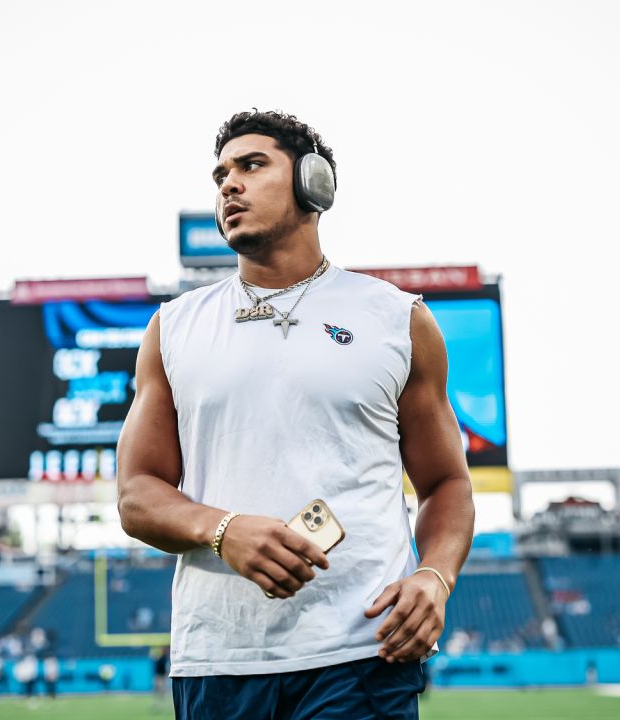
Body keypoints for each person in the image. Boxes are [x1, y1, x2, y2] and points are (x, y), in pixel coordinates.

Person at [117, 109, 475, 720]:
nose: (229, 184)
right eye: (221, 174)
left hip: (363, 653)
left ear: (315, 183)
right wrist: (224, 530)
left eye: (252, 166)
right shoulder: (173, 329)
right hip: (220, 661)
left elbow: (447, 484)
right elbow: (136, 496)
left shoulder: (396, 318)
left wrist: (435, 578)